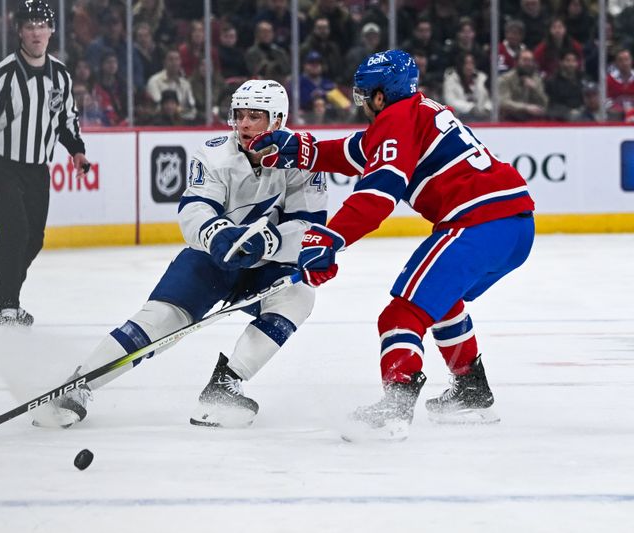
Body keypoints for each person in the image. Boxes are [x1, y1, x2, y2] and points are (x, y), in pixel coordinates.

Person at [249, 50, 535, 440]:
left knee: (400, 316)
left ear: (381, 96)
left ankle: (395, 407)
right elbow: (360, 152)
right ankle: (471, 391)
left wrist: (330, 237)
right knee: (439, 300)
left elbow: (378, 193)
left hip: (479, 224)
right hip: (514, 227)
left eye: (365, 94)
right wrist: (306, 151)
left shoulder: (395, 121)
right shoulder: (417, 111)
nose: (361, 102)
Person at [45, 80, 328, 429]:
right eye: (240, 114)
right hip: (211, 260)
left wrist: (268, 243)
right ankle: (81, 383)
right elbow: (195, 209)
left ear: (278, 121)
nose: (244, 124)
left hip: (263, 267)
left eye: (256, 116)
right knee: (159, 320)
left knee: (299, 296)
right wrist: (218, 235)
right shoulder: (213, 154)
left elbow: (309, 228)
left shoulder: (303, 160)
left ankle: (224, 387)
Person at [0, 0, 89, 326]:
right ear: (19, 31)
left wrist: (76, 150)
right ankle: (9, 304)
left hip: (37, 170)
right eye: (29, 26)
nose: (36, 32)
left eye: (41, 25)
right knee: (16, 234)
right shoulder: (2, 74)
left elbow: (66, 119)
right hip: (2, 166)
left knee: (34, 238)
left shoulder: (60, 75)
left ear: (51, 31)